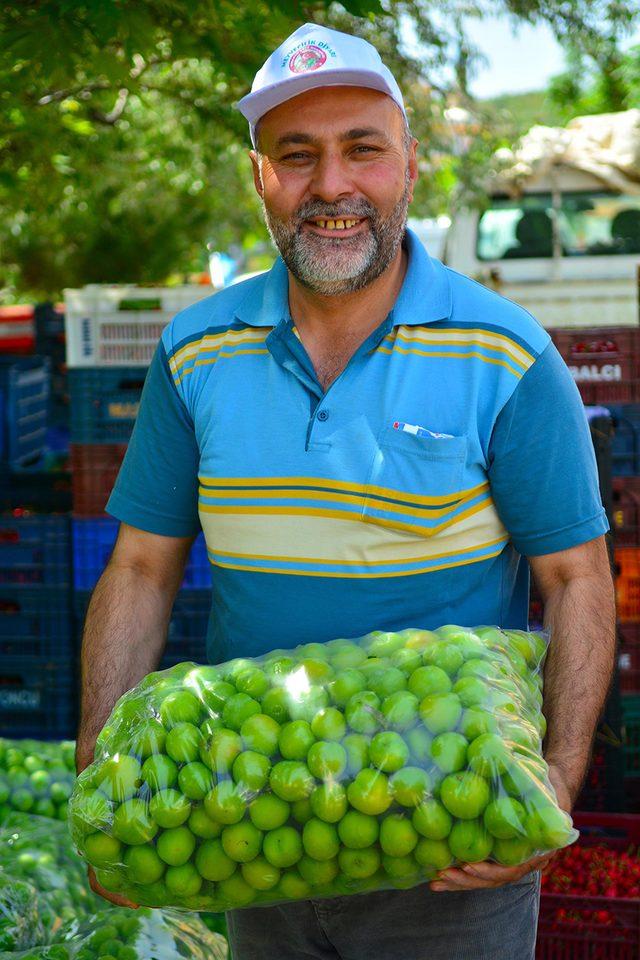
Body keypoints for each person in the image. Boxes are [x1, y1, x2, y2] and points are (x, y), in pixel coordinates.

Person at [75, 22, 616, 960]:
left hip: (447, 832)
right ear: (260, 178)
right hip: (244, 817)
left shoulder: (508, 354)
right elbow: (139, 567)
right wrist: (100, 776)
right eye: (298, 155)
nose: (331, 186)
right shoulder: (194, 349)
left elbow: (577, 577)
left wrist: (558, 779)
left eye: (362, 149)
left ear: (408, 166)